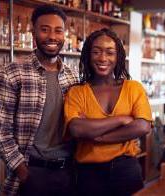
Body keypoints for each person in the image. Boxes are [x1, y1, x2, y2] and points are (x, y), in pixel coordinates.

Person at [0, 5, 80, 196]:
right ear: (33, 32)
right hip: (32, 173)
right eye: (44, 29)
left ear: (65, 34)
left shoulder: (73, 77)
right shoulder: (13, 74)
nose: (52, 37)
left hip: (69, 173)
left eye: (58, 30)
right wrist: (23, 172)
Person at [64, 28, 152, 196]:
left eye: (109, 52)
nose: (103, 58)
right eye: (96, 52)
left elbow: (142, 126)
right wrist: (121, 120)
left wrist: (98, 137)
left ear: (118, 57)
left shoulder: (133, 88)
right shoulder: (77, 92)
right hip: (89, 175)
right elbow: (76, 129)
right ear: (88, 56)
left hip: (126, 170)